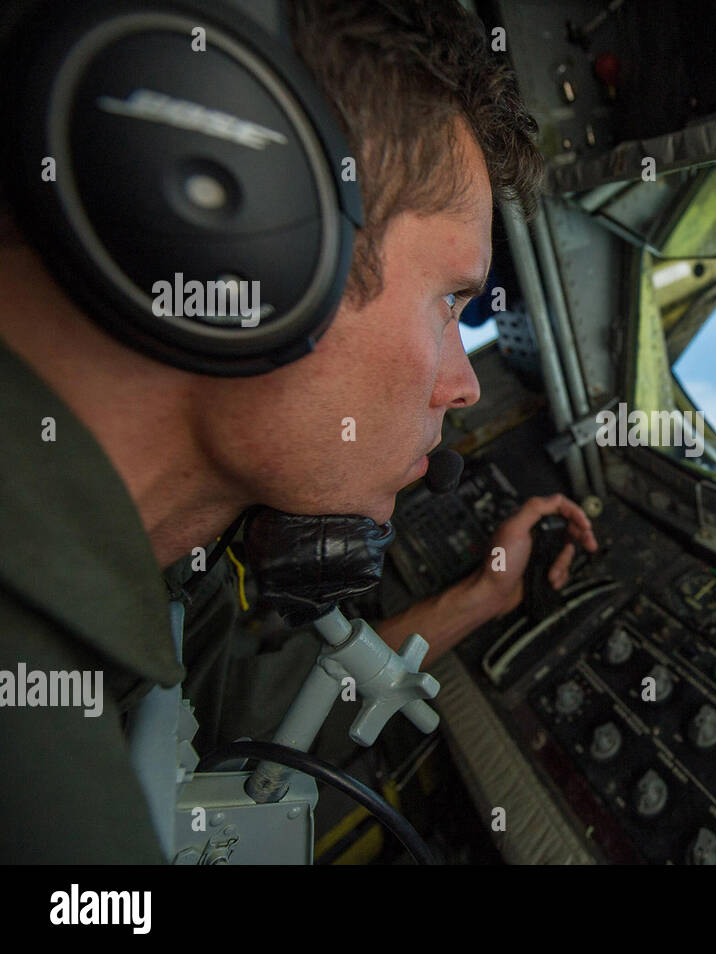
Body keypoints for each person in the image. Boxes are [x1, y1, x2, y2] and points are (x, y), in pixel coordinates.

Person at [0, 0, 597, 863]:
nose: (465, 384)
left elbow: (219, 708)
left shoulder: (144, 570)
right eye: (449, 303)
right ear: (242, 233)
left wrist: (478, 597)